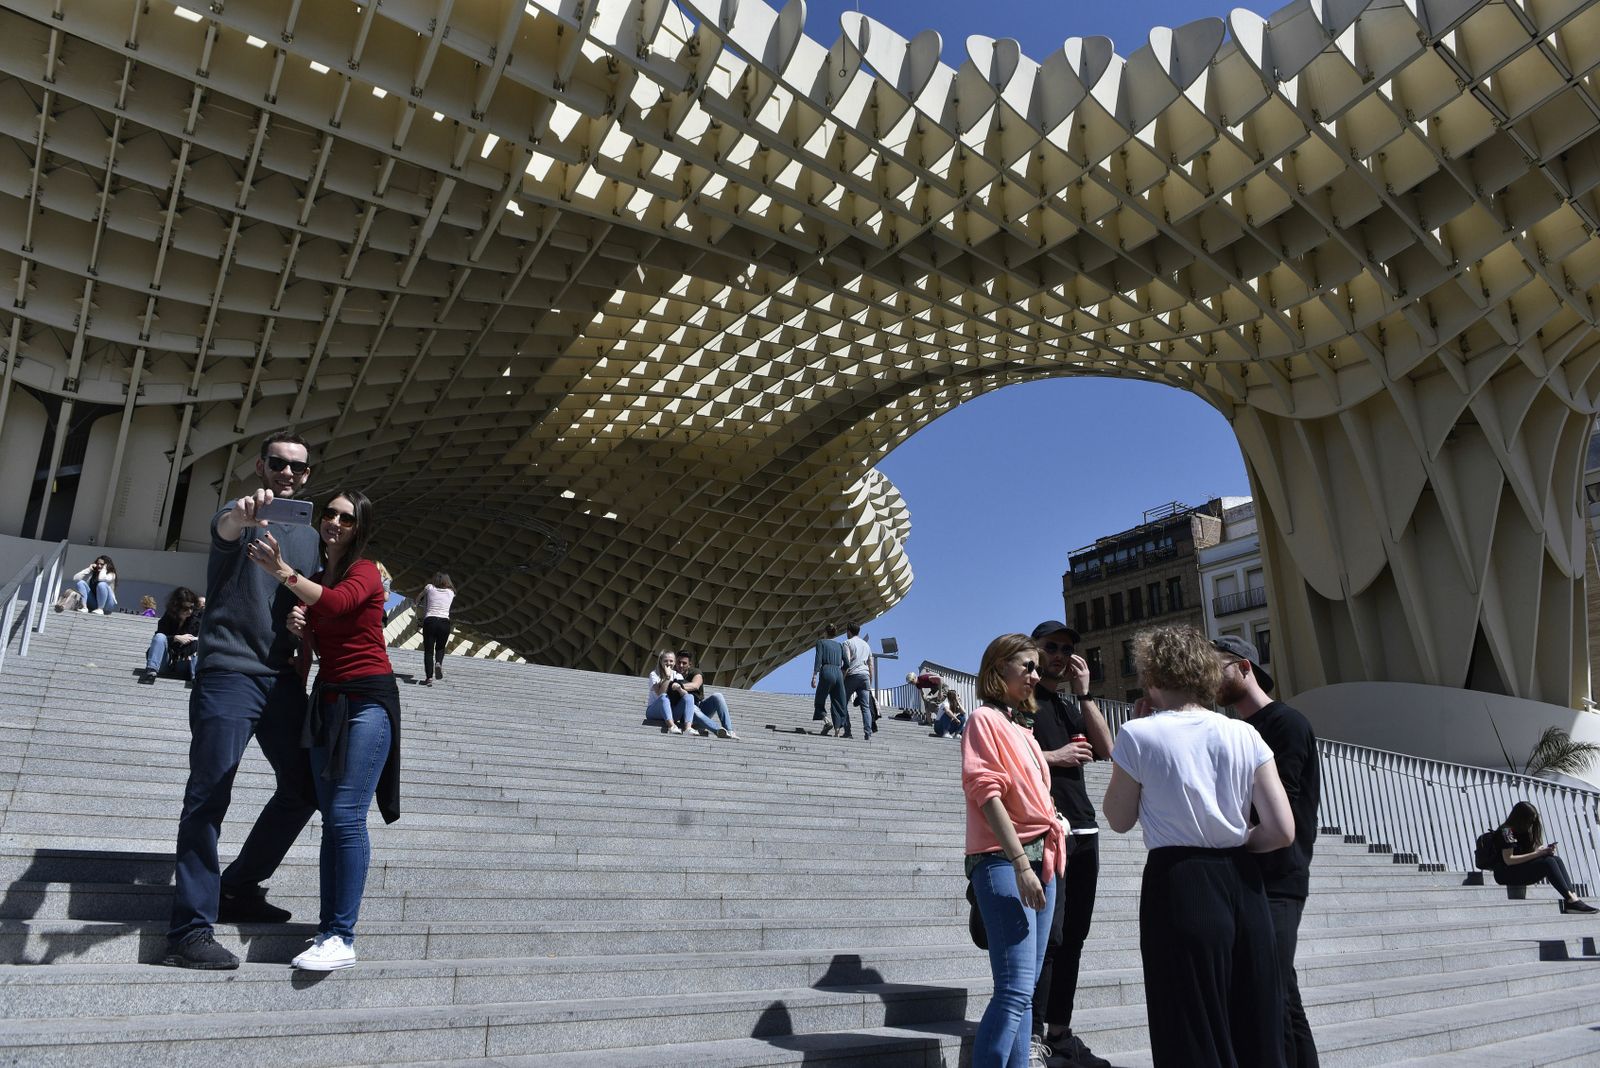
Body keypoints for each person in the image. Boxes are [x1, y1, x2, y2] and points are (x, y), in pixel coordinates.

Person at [1102, 624, 1295, 1068]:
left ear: (1152, 675)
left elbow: (1118, 819)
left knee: (1189, 1027)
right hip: (1242, 882)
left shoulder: (1139, 735)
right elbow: (1282, 829)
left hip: (1180, 881)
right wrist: (1238, 840)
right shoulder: (1244, 734)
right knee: (1255, 1025)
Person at [164, 432, 322, 971]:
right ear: (260, 467)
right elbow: (225, 528)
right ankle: (189, 929)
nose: (287, 473)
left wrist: (305, 621)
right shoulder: (238, 512)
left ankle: (239, 885)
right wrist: (242, 516)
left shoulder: (310, 539)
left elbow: (309, 595)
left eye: (297, 468)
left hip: (281, 679)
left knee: (306, 785)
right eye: (277, 463)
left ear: (307, 476)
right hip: (229, 672)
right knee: (210, 793)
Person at [247, 489, 402, 971]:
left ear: (361, 529)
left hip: (366, 702)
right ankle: (329, 930)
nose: (334, 522)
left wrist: (281, 573)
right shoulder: (315, 578)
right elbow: (320, 627)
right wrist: (300, 630)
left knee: (345, 816)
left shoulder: (365, 571)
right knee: (334, 819)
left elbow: (338, 606)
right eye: (330, 514)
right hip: (327, 701)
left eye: (346, 518)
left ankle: (341, 935)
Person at [1214, 634, 1322, 1067]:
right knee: (1278, 990)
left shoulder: (1286, 724)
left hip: (1280, 876)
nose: (1206, 677)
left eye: (1214, 665)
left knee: (1272, 990)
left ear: (1244, 667)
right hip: (1248, 875)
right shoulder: (1237, 731)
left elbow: (1285, 811)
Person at [963, 634, 1066, 1067]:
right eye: (1026, 666)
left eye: (1037, 668)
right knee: (1014, 990)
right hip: (1005, 861)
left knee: (1025, 993)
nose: (1035, 675)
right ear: (998, 669)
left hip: (1044, 861)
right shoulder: (983, 720)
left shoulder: (1021, 728)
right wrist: (1022, 864)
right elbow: (987, 794)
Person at [1026, 621, 1113, 1068]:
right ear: (1032, 649)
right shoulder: (1018, 701)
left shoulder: (1065, 704)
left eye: (1066, 649)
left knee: (1075, 936)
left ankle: (1059, 1031)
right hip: (1047, 833)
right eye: (1051, 647)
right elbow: (1000, 758)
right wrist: (1053, 758)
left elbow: (1106, 748)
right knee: (1050, 938)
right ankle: (1033, 1034)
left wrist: (1084, 694)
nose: (1059, 655)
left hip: (1085, 830)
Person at [1490, 801, 1597, 913]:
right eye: (1530, 820)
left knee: (1555, 859)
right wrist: (1538, 854)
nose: (1531, 823)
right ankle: (1571, 900)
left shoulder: (1522, 831)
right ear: (1520, 818)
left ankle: (1573, 897)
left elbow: (1524, 855)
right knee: (1548, 862)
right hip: (1505, 874)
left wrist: (1540, 851)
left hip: (1517, 870)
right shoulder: (1506, 832)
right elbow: (1509, 860)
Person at [141, 587, 202, 684]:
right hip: (165, 661)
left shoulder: (196, 621)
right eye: (186, 608)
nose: (190, 611)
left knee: (200, 646)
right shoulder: (168, 618)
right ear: (176, 607)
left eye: (191, 607)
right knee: (160, 636)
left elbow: (196, 644)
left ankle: (196, 680)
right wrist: (176, 638)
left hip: (183, 663)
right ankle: (151, 671)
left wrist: (190, 645)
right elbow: (158, 641)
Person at [676, 652, 738, 739]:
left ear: (690, 664)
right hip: (685, 715)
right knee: (692, 707)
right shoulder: (672, 674)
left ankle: (729, 731)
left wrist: (678, 686)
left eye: (684, 663)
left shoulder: (695, 672)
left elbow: (696, 685)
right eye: (678, 662)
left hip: (700, 709)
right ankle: (718, 730)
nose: (681, 665)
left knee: (718, 696)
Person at [644, 650, 707, 734]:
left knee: (689, 696)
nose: (668, 663)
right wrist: (667, 677)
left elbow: (685, 696)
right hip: (654, 711)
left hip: (672, 711)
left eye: (671, 661)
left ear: (674, 663)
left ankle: (688, 728)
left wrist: (679, 689)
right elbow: (660, 694)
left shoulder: (678, 675)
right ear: (661, 661)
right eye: (665, 661)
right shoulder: (654, 674)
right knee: (664, 698)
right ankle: (671, 726)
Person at [417, 572, 456, 686]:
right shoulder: (451, 592)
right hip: (445, 622)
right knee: (440, 648)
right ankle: (438, 663)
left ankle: (429, 678)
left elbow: (417, 599)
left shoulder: (429, 587)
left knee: (429, 651)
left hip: (430, 621)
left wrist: (419, 602)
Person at [811, 626, 849, 736]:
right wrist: (841, 672)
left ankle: (826, 720)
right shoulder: (839, 645)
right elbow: (847, 663)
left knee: (820, 698)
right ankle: (837, 729)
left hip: (827, 670)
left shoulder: (821, 642)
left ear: (825, 632)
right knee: (838, 701)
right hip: (838, 672)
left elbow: (818, 659)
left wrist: (814, 675)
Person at [842, 622, 877, 741]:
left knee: (843, 702)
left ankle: (848, 731)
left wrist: (842, 679)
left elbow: (846, 663)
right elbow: (871, 665)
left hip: (852, 675)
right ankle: (868, 733)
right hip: (865, 676)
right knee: (865, 707)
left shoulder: (847, 643)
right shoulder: (866, 645)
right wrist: (870, 681)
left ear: (849, 631)